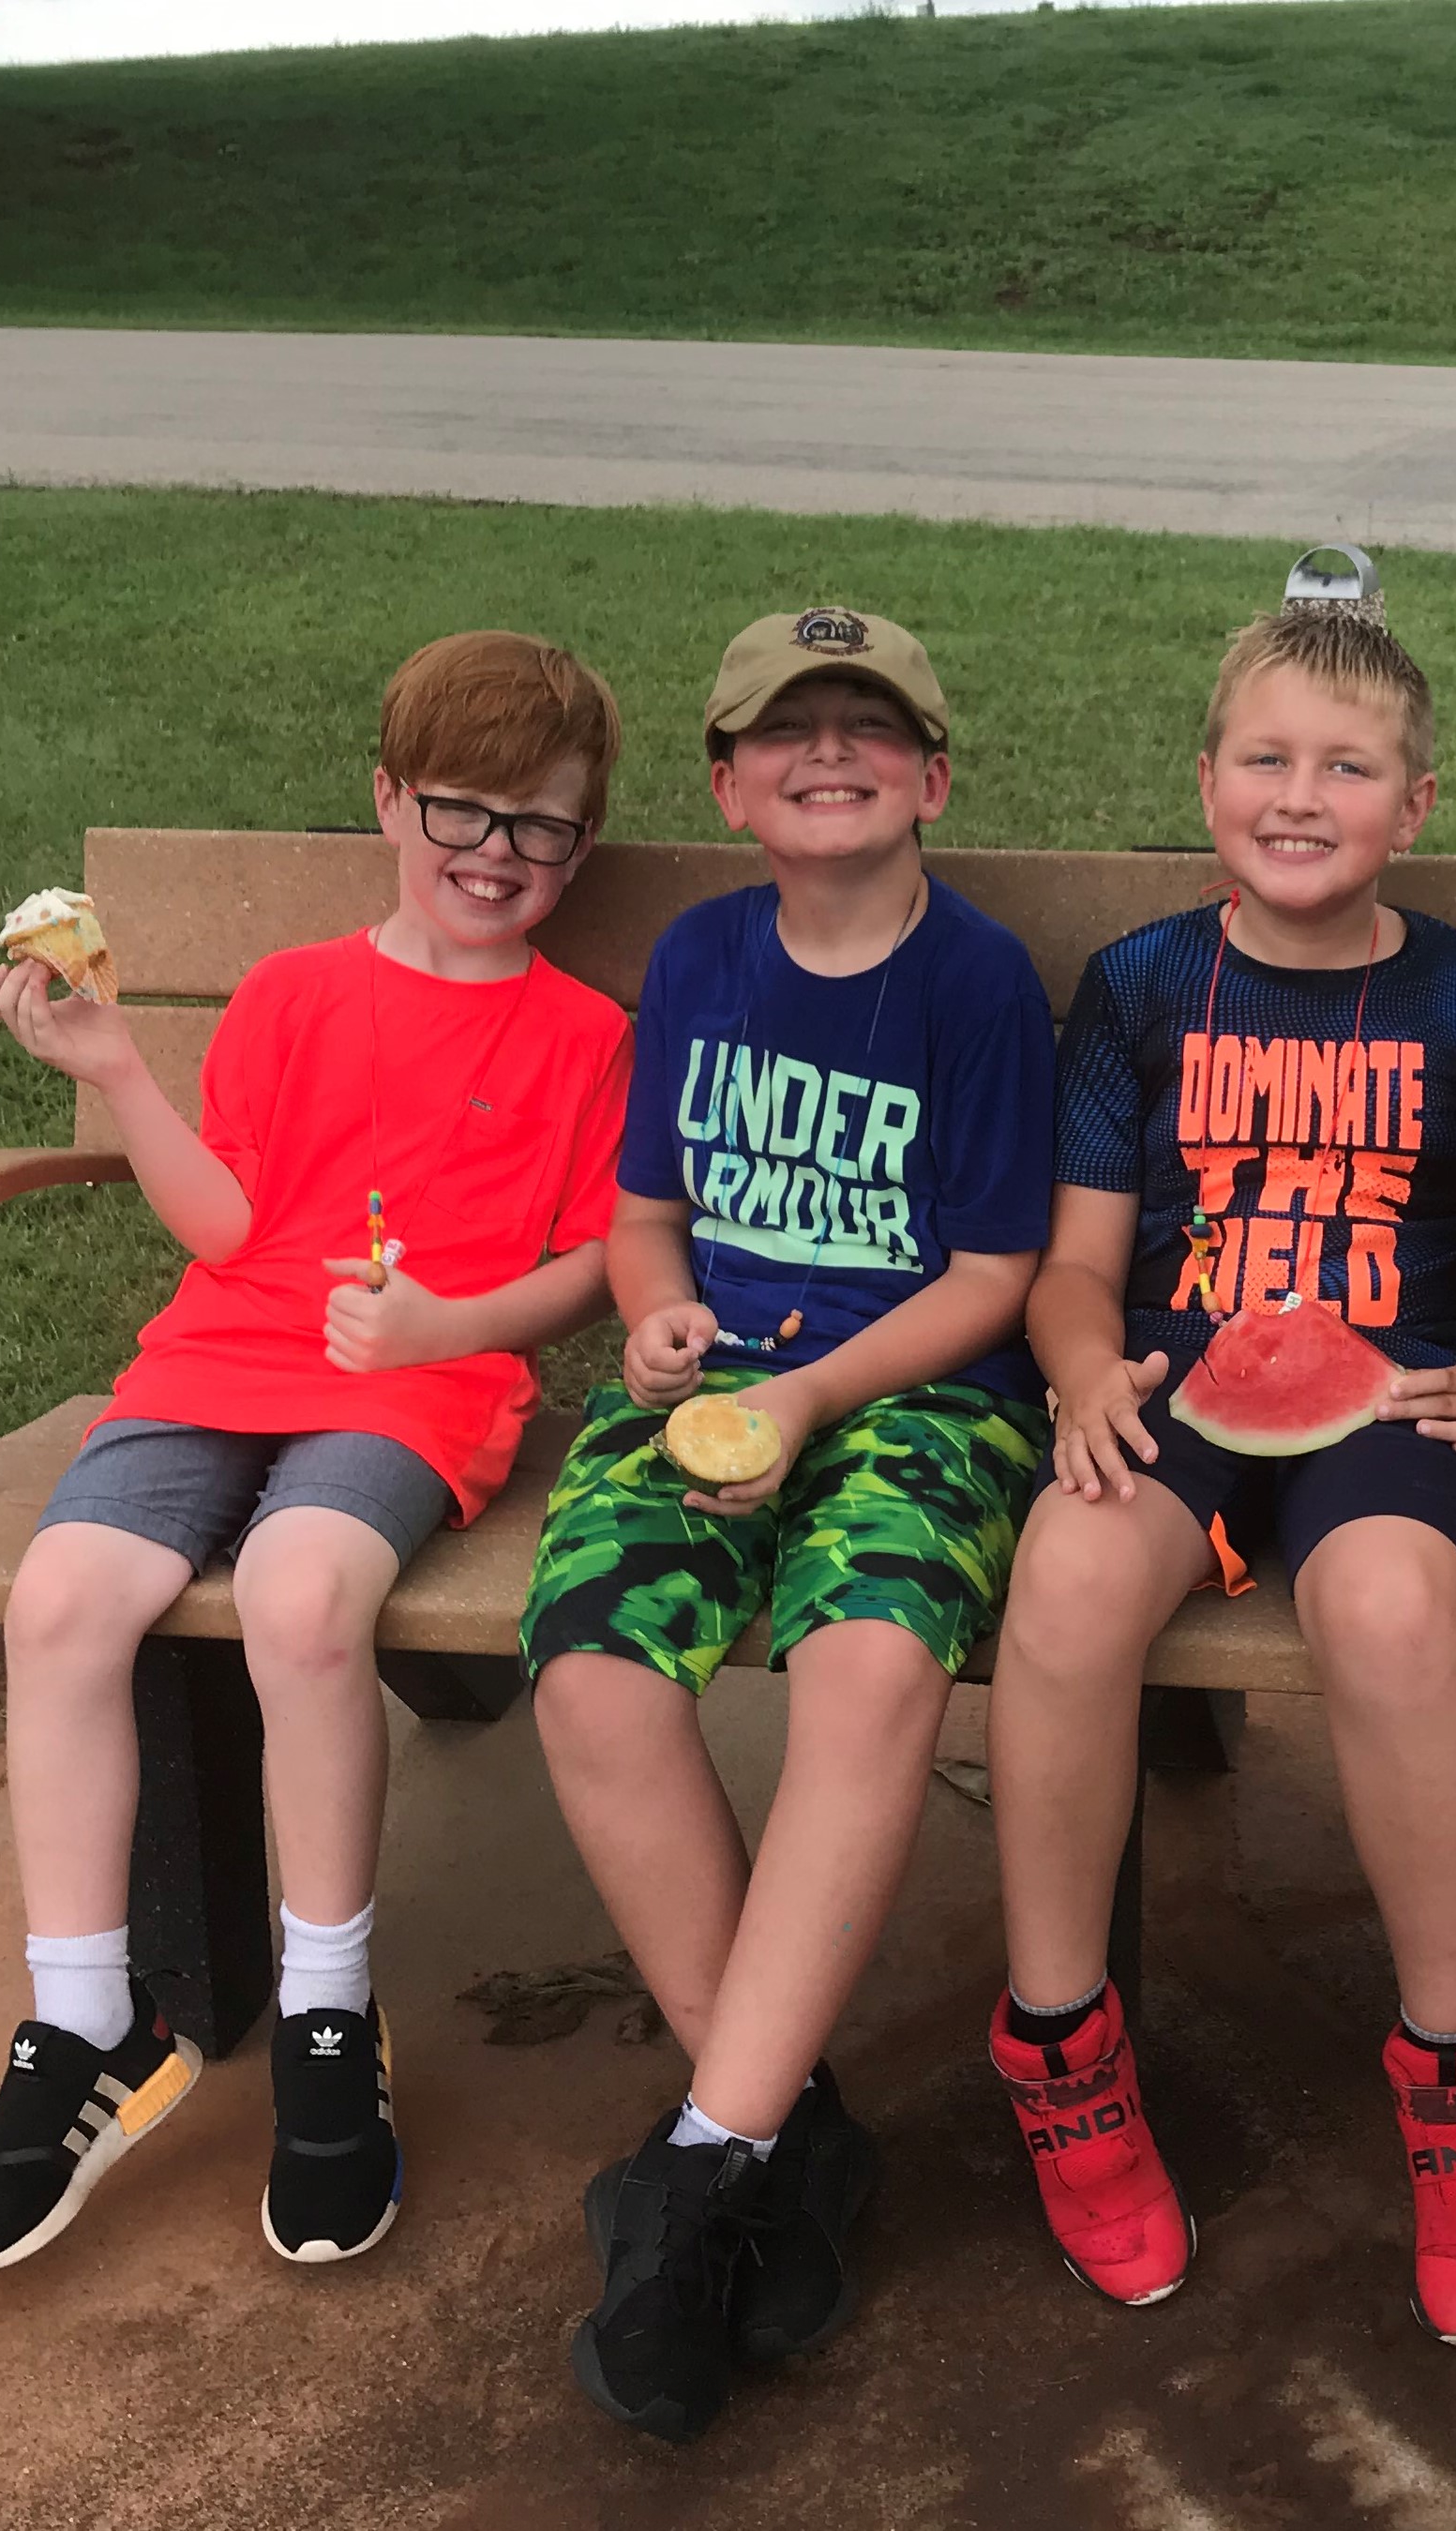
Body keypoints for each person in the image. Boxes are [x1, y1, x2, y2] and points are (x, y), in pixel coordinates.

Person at [0, 630, 635, 2277]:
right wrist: (117, 1074)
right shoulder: (295, 992)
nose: (495, 857)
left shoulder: (581, 1034)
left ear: (580, 844)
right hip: (212, 1358)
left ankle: (327, 2011)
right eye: (461, 812)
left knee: (302, 1598)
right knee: (62, 1603)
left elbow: (599, 1258)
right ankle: (87, 2021)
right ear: (389, 800)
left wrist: (448, 1329)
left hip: (415, 1389)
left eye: (542, 828)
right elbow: (226, 1225)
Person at [982, 583, 1456, 2347]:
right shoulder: (1140, 987)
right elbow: (1077, 1264)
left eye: (1348, 767)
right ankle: (1061, 2048)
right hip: (1169, 1386)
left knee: (1385, 1612)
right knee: (1068, 1583)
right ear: (1207, 775)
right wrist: (1080, 1373)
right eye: (1264, 758)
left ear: (1417, 806)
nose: (1300, 796)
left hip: (1395, 1411)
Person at [521, 608, 1055, 2443]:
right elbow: (645, 1213)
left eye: (869, 729)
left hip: (914, 1400)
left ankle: (694, 2168)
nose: (828, 756)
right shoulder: (698, 957)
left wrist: (818, 1396)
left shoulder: (972, 984)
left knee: (868, 1658)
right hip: (700, 1395)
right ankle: (777, 2117)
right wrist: (657, 1314)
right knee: (594, 1673)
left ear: (930, 776)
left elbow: (997, 1270)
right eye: (786, 734)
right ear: (731, 781)